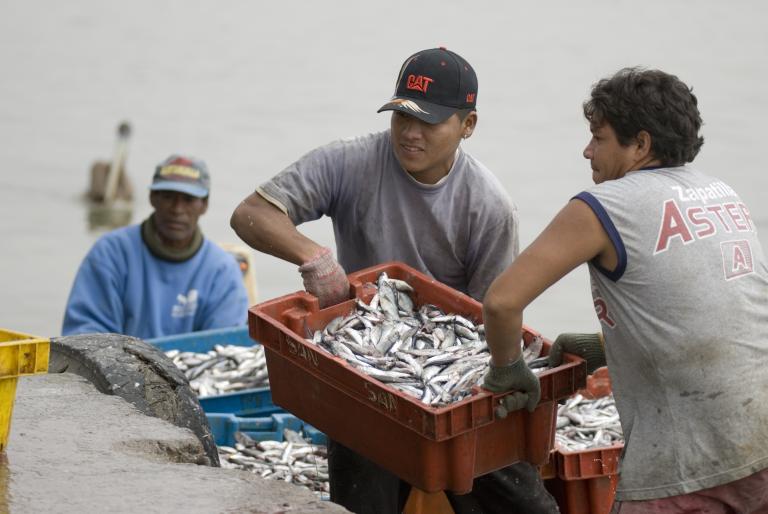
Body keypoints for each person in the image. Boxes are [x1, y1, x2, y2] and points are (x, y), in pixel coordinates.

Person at [231, 48, 558, 513]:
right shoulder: (350, 161)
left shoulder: (488, 206)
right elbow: (251, 214)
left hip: (450, 380)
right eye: (401, 116)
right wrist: (314, 257)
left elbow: (488, 322)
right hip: (364, 377)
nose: (409, 132)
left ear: (468, 125)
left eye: (429, 122)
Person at [481, 67, 768, 513]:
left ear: (640, 145)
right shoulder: (720, 193)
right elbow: (720, 310)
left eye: (599, 137)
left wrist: (507, 370)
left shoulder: (602, 207)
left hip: (687, 469)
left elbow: (501, 302)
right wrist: (603, 345)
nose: (587, 150)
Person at [63, 154, 249, 339]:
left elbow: (224, 345)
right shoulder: (110, 253)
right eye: (168, 197)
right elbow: (85, 335)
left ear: (204, 205)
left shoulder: (222, 270)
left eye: (188, 199)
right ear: (153, 198)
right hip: (117, 367)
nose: (177, 209)